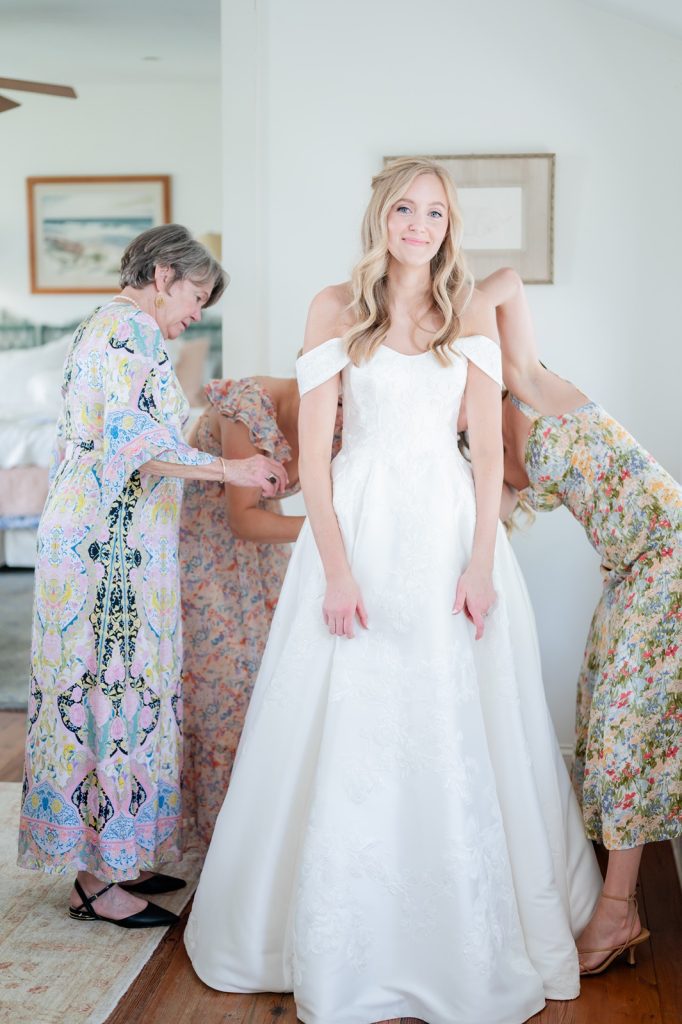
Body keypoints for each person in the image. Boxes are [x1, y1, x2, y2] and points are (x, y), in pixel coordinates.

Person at [183, 159, 602, 1023]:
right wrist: (335, 568)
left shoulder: (468, 310)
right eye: (405, 208)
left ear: (451, 225)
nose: (420, 224)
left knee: (457, 718)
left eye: (436, 212)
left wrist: (482, 562)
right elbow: (321, 455)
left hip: (449, 530)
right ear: (382, 218)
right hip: (361, 527)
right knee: (350, 719)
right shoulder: (334, 307)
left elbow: (488, 453)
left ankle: (459, 932)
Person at [17, 224, 287, 930]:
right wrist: (234, 469)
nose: (198, 311)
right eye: (196, 294)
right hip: (104, 551)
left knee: (118, 694)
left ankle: (115, 858)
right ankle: (95, 884)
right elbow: (137, 446)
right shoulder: (128, 329)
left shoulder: (118, 331)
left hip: (111, 544)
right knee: (106, 697)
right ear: (163, 274)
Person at [478, 267, 681, 975]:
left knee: (629, 729)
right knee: (601, 719)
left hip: (670, 555)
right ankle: (613, 895)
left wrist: (459, 311)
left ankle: (620, 912)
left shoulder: (528, 383)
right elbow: (490, 530)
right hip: (632, 572)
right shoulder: (489, 450)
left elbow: (504, 282)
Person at [179, 375, 342, 847]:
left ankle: (257, 830)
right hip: (207, 549)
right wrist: (333, 530)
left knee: (269, 682)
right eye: (341, 407)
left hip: (266, 554)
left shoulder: (339, 428)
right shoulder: (249, 408)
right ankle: (215, 834)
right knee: (221, 687)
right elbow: (243, 516)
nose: (344, 423)